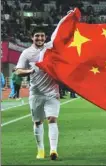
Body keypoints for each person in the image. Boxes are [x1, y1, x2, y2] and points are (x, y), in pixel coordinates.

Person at [15, 26, 60, 160]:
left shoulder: (50, 48)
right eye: (37, 36)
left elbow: (60, 33)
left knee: (52, 119)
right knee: (38, 122)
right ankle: (40, 150)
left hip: (52, 92)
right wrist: (30, 71)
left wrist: (67, 18)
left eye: (42, 36)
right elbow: (17, 71)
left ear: (45, 37)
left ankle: (53, 150)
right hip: (36, 94)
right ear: (32, 37)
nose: (40, 38)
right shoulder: (27, 53)